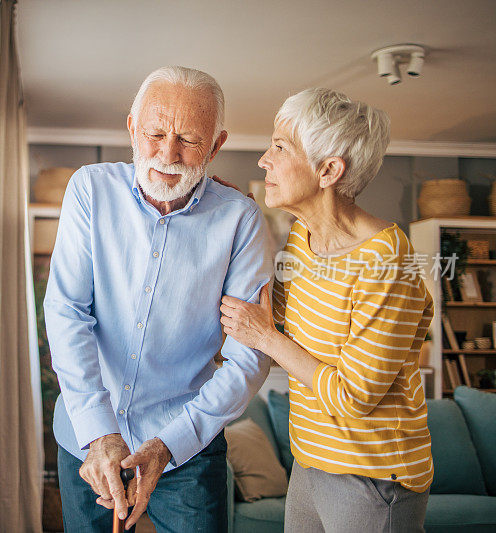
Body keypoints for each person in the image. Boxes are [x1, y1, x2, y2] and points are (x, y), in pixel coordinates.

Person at [43, 66, 272, 531]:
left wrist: (172, 442)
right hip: (86, 437)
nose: (168, 154)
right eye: (155, 133)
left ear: (216, 144)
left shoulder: (241, 221)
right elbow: (67, 311)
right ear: (132, 127)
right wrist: (99, 433)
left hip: (186, 448)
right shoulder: (90, 190)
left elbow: (250, 356)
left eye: (189, 139)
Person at [219, 88, 433, 532]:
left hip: (372, 477)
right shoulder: (303, 238)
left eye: (280, 147)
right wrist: (223, 211)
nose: (264, 160)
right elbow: (266, 313)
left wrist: (267, 339)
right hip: (310, 462)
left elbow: (353, 397)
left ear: (329, 170)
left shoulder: (386, 259)